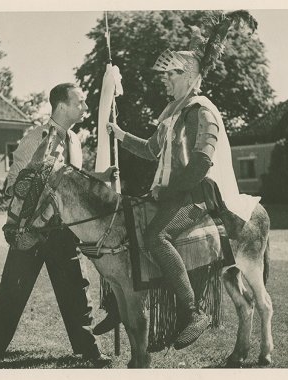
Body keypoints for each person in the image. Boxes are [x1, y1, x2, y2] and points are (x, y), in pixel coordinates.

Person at [107, 15, 260, 350]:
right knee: (125, 223)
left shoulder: (202, 110)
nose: (165, 80)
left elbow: (204, 161)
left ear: (189, 76)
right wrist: (119, 135)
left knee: (153, 235)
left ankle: (193, 313)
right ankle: (115, 305)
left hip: (195, 197)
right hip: (172, 194)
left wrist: (171, 191)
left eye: (170, 74)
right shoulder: (171, 114)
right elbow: (150, 150)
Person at [0, 83, 116, 368]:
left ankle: (90, 351)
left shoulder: (75, 140)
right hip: (31, 231)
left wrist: (100, 176)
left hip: (64, 231)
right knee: (12, 290)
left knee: (77, 289)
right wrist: (26, 187)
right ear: (62, 106)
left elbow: (73, 177)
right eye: (81, 102)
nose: (85, 108)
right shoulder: (35, 138)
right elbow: (11, 182)